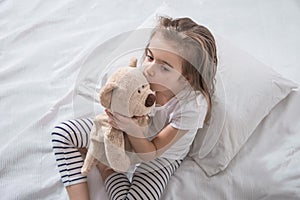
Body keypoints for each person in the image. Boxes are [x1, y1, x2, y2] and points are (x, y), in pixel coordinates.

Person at [51, 16, 217, 200]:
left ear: (188, 78)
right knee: (62, 134)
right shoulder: (145, 72)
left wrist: (131, 128)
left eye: (165, 68)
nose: (149, 69)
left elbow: (151, 154)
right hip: (125, 131)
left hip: (160, 156)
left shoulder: (192, 106)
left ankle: (107, 170)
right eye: (150, 56)